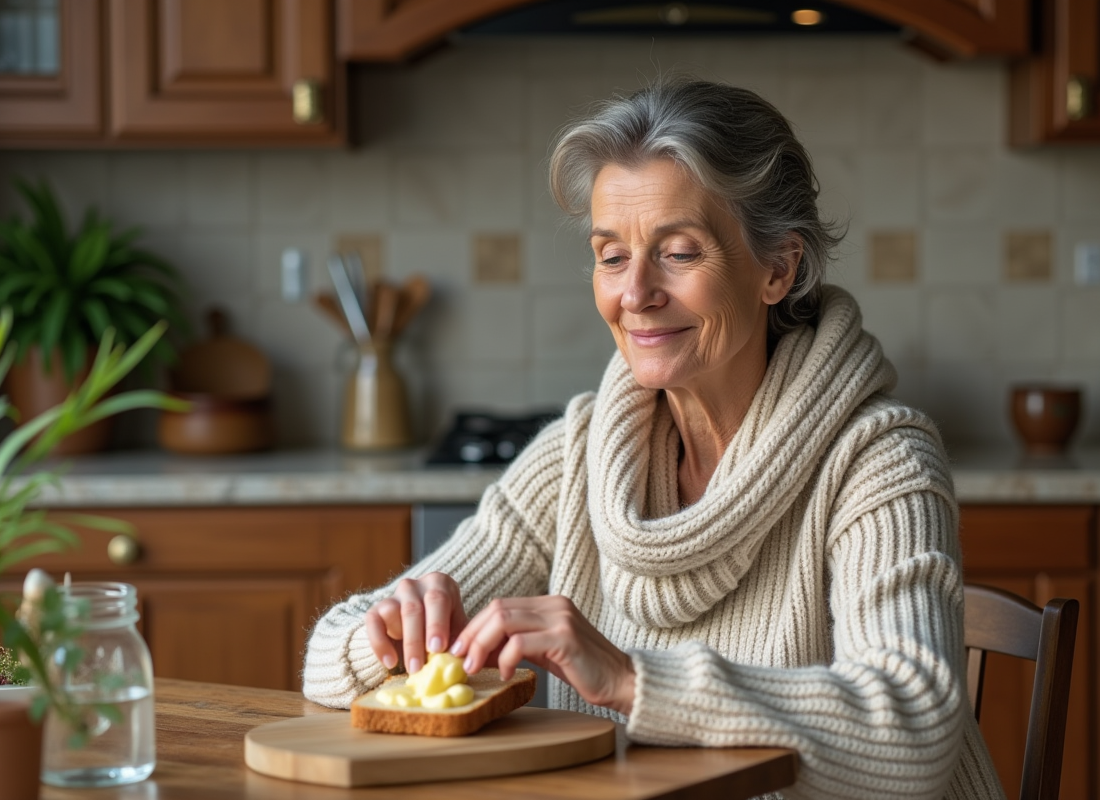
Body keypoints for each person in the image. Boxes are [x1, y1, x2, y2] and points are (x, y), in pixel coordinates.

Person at [304, 78, 1004, 799]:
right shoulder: (580, 454)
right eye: (611, 256)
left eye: (679, 252)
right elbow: (327, 663)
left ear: (777, 268)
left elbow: (914, 730)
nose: (634, 292)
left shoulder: (882, 460)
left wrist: (633, 679)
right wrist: (389, 631)